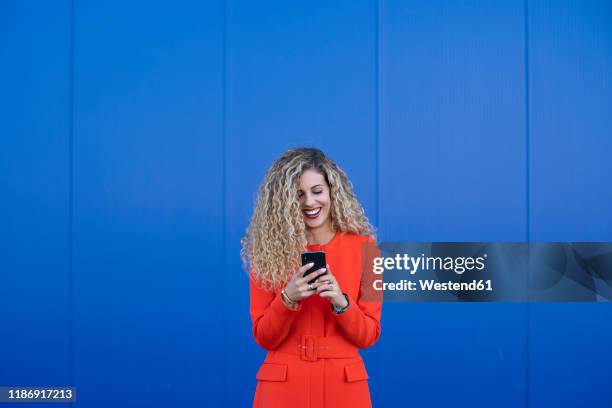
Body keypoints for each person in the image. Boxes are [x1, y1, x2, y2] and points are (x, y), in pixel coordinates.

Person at [241, 147, 382, 408]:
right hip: (283, 388)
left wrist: (342, 302)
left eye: (317, 191)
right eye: (298, 195)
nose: (309, 202)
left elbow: (369, 335)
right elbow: (263, 337)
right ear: (283, 202)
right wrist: (287, 298)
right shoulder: (266, 251)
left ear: (332, 191)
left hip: (343, 388)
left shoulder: (368, 250)